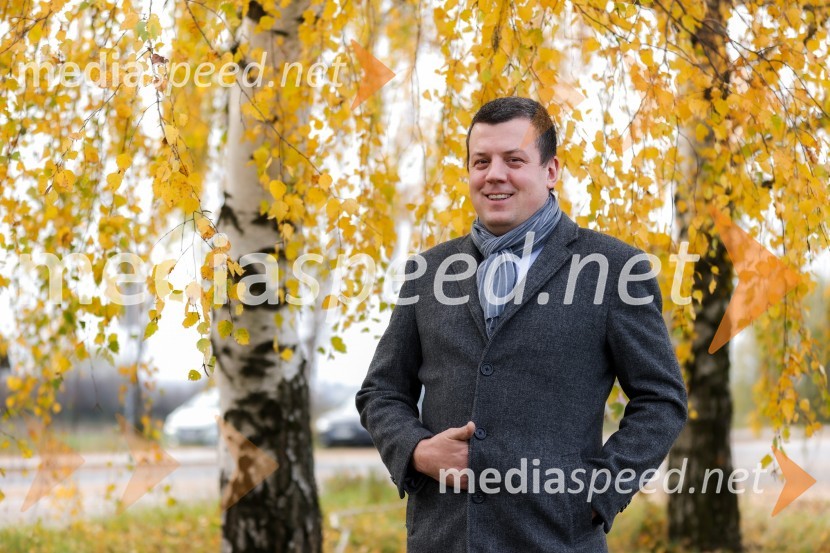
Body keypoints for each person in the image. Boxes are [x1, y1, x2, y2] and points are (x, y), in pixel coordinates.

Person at [356, 96, 688, 552]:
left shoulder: (614, 269)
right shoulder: (429, 272)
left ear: (550, 171)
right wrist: (416, 450)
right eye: (481, 161)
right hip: (444, 538)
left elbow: (662, 399)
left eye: (514, 160)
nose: (495, 174)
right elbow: (381, 391)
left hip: (557, 538)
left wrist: (601, 494)